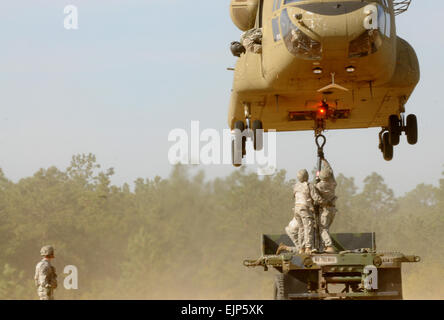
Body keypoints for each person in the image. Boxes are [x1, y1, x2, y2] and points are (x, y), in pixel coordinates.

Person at [312, 159, 338, 253]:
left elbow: (316, 198)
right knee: (326, 228)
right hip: (333, 210)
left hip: (325, 210)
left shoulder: (318, 186)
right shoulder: (333, 183)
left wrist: (315, 183)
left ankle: (329, 246)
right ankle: (325, 246)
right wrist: (324, 160)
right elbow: (330, 170)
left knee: (323, 228)